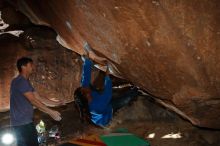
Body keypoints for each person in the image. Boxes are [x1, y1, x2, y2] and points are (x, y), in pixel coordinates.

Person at [74, 49, 139, 128]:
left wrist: (87, 60)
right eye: (84, 90)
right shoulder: (98, 106)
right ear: (86, 96)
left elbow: (86, 76)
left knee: (86, 83)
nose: (84, 87)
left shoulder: (85, 91)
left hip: (95, 98)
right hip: (105, 114)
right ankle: (136, 91)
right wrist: (108, 69)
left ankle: (118, 88)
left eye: (82, 88)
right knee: (123, 100)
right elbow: (108, 91)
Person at [10, 57, 64, 146]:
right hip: (22, 124)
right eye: (30, 65)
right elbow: (33, 101)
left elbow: (38, 97)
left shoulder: (25, 82)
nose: (33, 67)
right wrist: (51, 112)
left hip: (25, 122)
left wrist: (57, 103)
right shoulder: (20, 81)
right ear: (23, 67)